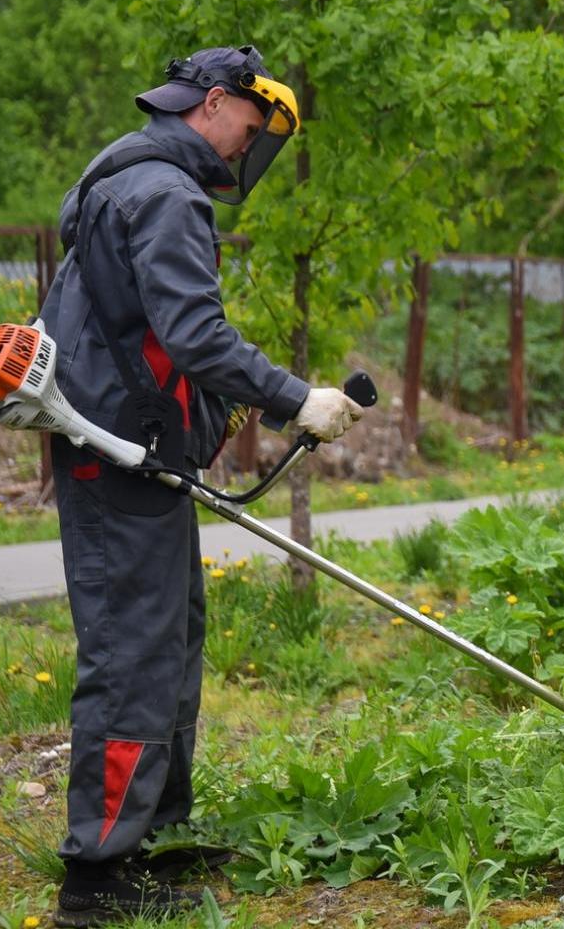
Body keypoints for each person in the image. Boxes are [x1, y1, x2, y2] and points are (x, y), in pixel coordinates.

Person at [37, 46, 362, 926]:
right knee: (132, 656)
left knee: (170, 641)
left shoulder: (123, 175)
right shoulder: (165, 195)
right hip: (118, 456)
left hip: (136, 456)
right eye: (248, 131)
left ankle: (148, 840)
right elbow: (196, 335)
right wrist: (299, 399)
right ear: (212, 104)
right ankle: (96, 878)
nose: (242, 153)